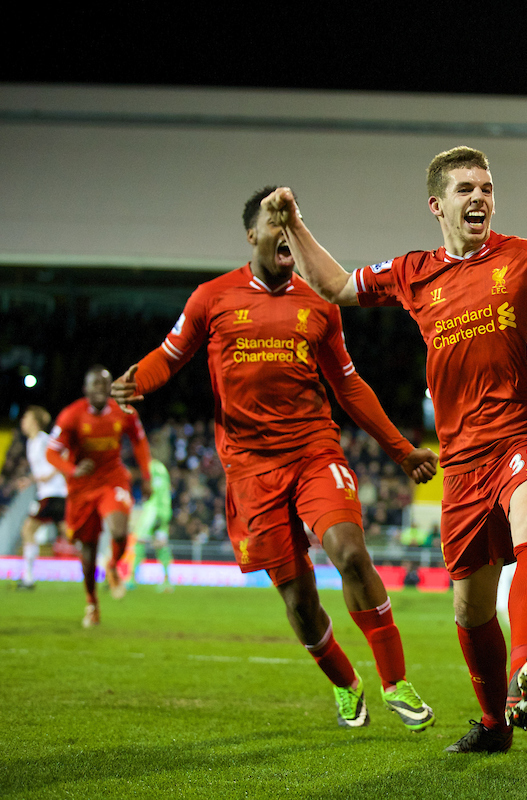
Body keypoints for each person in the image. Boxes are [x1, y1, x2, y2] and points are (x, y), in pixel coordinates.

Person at [263, 148, 527, 755]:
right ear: (438, 205)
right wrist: (294, 222)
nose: (478, 197)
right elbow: (334, 286)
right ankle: (494, 724)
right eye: (464, 189)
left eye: (486, 187)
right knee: (469, 607)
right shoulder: (412, 271)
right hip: (460, 462)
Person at [111, 187, 439, 731]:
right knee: (300, 601)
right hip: (249, 470)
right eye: (274, 218)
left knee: (352, 553)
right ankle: (345, 683)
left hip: (314, 452)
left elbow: (350, 387)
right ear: (252, 235)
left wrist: (402, 452)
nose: (285, 226)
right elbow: (170, 356)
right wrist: (135, 381)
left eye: (293, 218)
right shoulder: (211, 298)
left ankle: (394, 681)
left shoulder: (319, 307)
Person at [46, 367, 152, 626]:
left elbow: (139, 441)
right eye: (94, 385)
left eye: (104, 385)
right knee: (88, 549)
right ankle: (92, 603)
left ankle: (113, 565)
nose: (99, 390)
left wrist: (147, 476)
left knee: (119, 530)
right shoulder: (71, 415)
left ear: (110, 389)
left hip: (112, 479)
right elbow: (51, 453)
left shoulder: (124, 412)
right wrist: (72, 469)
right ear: (86, 389)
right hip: (82, 487)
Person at [14, 406, 68, 590]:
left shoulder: (45, 439)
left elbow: (64, 454)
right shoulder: (31, 442)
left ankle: (28, 578)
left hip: (54, 493)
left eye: (26, 418)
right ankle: (104, 564)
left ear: (35, 422)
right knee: (71, 534)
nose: (23, 421)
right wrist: (31, 480)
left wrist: (51, 474)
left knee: (28, 530)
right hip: (48, 494)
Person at [125, 458, 175, 591]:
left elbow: (150, 487)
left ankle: (131, 578)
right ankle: (166, 581)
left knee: (139, 541)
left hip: (153, 509)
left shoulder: (149, 467)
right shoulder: (162, 468)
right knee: (161, 545)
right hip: (165, 509)